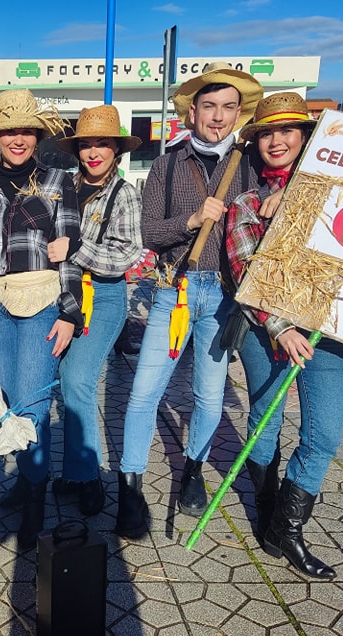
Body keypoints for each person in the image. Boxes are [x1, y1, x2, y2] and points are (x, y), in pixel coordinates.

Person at [115, 62, 262, 532]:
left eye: (228, 108)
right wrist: (193, 220)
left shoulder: (250, 166)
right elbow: (148, 232)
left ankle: (194, 471)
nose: (218, 117)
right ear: (192, 112)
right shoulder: (168, 163)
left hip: (223, 297)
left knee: (209, 398)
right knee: (142, 394)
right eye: (209, 107)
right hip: (173, 291)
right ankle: (131, 490)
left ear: (238, 114)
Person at [226, 92, 343, 580]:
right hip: (266, 329)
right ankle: (268, 507)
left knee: (324, 434)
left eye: (287, 131)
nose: (277, 141)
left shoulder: (334, 196)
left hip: (327, 330)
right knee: (264, 421)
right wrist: (281, 325)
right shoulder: (247, 203)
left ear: (305, 138)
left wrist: (301, 199)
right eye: (267, 134)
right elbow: (242, 271)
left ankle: (288, 529)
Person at [0, 88, 82, 549]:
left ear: (37, 135)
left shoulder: (60, 179)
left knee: (33, 406)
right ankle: (22, 484)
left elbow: (69, 249)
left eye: (26, 131)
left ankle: (35, 508)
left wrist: (70, 313)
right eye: (9, 131)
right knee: (7, 403)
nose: (18, 139)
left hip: (41, 303)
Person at [46, 105, 143, 522]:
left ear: (116, 149)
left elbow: (126, 255)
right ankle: (73, 470)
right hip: (60, 294)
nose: (93, 152)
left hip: (102, 297)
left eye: (102, 143)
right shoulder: (61, 185)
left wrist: (77, 249)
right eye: (86, 144)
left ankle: (90, 480)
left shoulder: (125, 193)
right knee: (62, 384)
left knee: (78, 380)